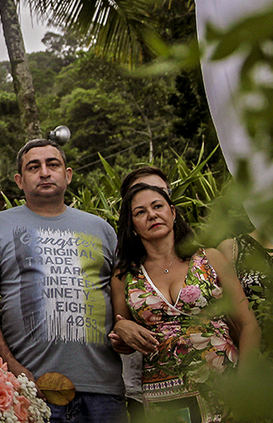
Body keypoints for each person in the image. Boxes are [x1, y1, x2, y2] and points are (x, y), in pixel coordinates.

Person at [0, 139, 126, 423]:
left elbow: (120, 294)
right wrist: (9, 365)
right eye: (34, 167)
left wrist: (125, 330)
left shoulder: (102, 229)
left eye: (52, 165)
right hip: (31, 389)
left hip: (102, 390)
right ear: (20, 180)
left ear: (67, 175)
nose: (44, 172)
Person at [111, 184, 259, 422]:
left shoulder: (210, 258)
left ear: (172, 212)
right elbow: (124, 343)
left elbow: (249, 325)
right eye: (140, 212)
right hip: (166, 398)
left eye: (157, 206)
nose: (152, 215)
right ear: (132, 226)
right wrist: (121, 328)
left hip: (224, 386)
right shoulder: (124, 276)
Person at [113, 166, 171, 416]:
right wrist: (120, 328)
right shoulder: (124, 270)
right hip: (149, 393)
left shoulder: (205, 259)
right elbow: (118, 325)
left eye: (159, 195)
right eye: (140, 207)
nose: (151, 211)